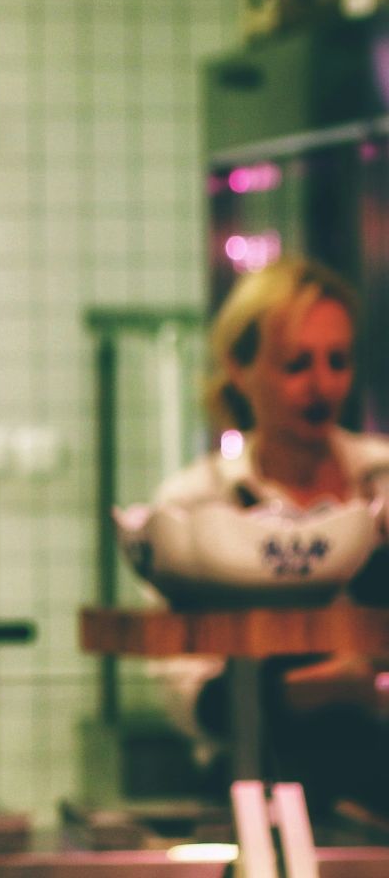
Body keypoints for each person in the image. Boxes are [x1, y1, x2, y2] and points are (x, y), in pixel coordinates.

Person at [151, 258, 389, 810]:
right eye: (296, 364)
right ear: (239, 367)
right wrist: (328, 687)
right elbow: (190, 699)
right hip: (252, 784)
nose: (322, 385)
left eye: (337, 361)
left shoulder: (381, 479)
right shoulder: (195, 504)